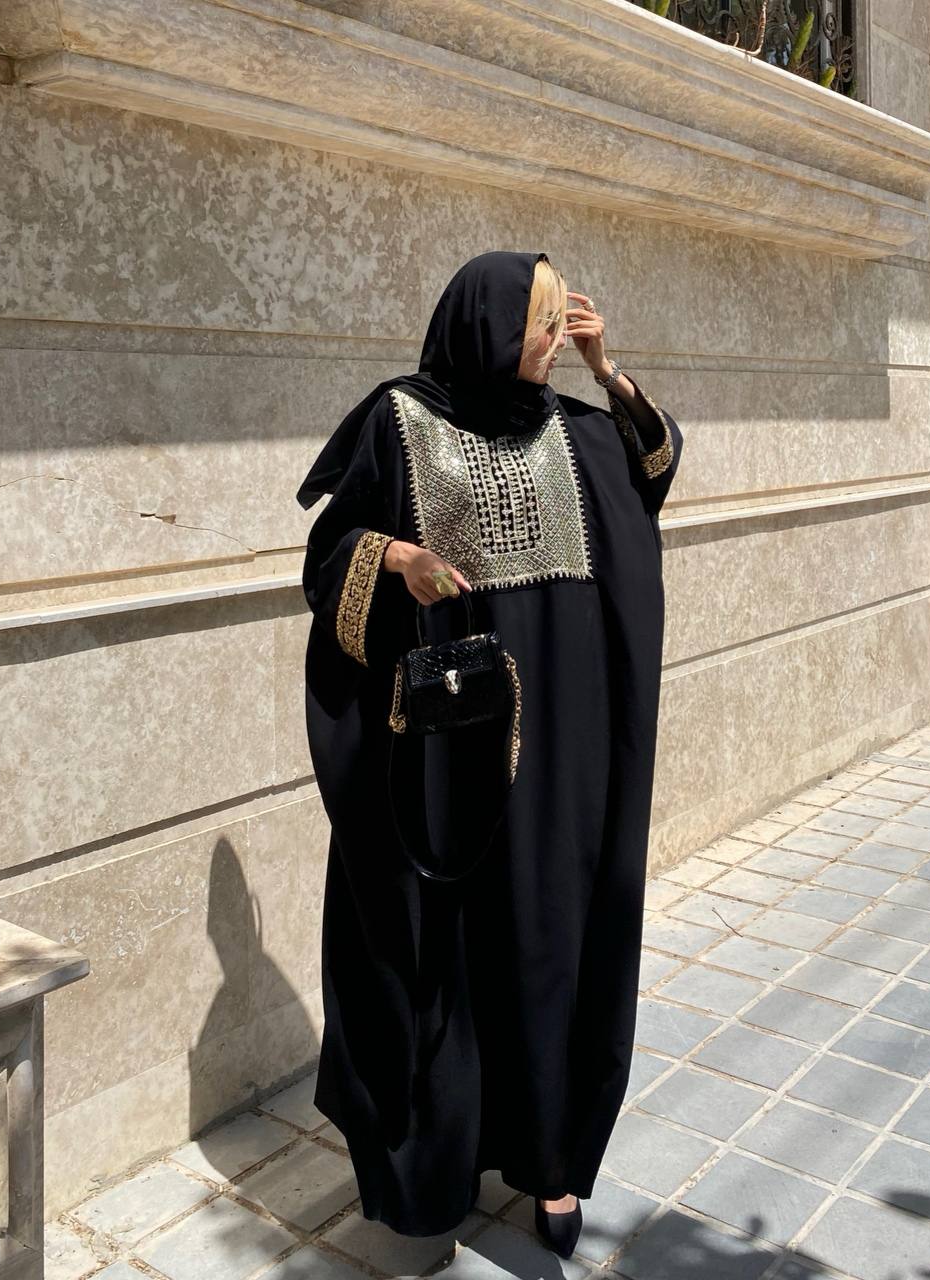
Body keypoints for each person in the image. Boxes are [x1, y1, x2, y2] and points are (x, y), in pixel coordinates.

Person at [296, 250, 683, 1254]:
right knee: (444, 948)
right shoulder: (400, 421)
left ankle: (550, 1162)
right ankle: (441, 1163)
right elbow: (328, 554)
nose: (553, 339)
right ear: (488, 325)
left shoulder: (575, 429)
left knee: (553, 935)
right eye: (541, 324)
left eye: (560, 322)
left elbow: (651, 475)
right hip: (446, 748)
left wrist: (609, 370)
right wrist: (396, 557)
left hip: (563, 744)